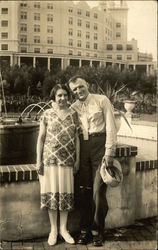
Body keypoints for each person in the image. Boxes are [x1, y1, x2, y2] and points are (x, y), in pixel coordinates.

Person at [68, 76, 117, 247]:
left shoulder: (102, 100)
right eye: (74, 89)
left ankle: (98, 230)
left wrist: (109, 152)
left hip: (100, 147)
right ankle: (84, 230)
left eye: (80, 87)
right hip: (83, 149)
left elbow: (111, 127)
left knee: (98, 191)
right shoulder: (73, 107)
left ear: (87, 85)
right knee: (83, 191)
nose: (78, 91)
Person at [36, 84, 80, 246]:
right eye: (59, 95)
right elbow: (41, 138)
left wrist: (78, 160)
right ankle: (53, 230)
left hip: (68, 161)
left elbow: (76, 139)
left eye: (65, 95)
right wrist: (38, 160)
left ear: (68, 97)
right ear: (54, 98)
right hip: (50, 161)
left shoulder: (73, 114)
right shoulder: (47, 114)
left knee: (66, 195)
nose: (62, 98)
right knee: (52, 194)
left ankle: (64, 229)